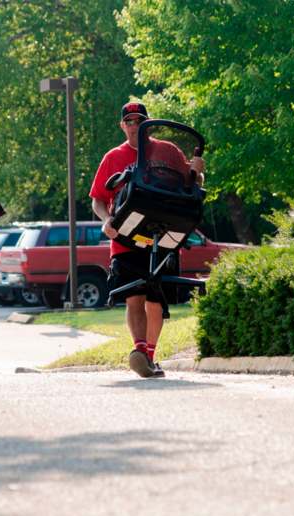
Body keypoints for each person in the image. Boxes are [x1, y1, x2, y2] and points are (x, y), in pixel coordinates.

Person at [90, 101, 204, 378]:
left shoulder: (168, 151)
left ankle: (147, 357)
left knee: (155, 297)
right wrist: (107, 221)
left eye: (139, 120)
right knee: (134, 295)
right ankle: (139, 350)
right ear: (122, 125)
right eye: (129, 121)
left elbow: (191, 185)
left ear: (147, 123)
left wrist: (198, 171)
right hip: (124, 237)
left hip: (161, 234)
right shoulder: (113, 157)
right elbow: (98, 200)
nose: (134, 126)